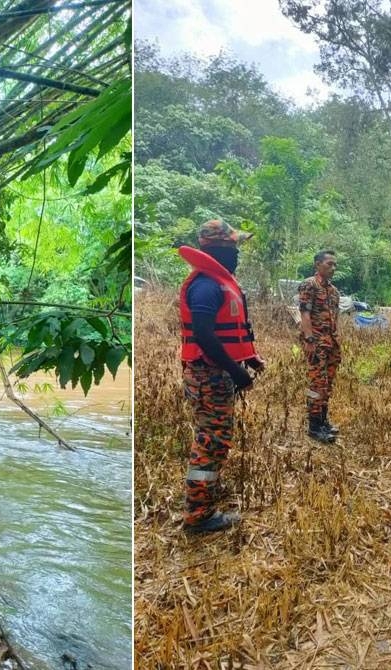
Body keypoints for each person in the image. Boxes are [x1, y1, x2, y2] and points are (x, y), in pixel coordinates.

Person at [178, 219, 265, 534]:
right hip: (208, 375)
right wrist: (235, 371)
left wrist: (249, 360)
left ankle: (205, 496)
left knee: (215, 439)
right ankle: (198, 516)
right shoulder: (205, 286)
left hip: (216, 374)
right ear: (217, 249)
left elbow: (225, 335)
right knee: (210, 440)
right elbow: (204, 336)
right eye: (234, 248)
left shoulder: (218, 282)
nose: (238, 256)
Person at [296, 250, 341, 443]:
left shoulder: (333, 291)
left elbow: (335, 318)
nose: (333, 268)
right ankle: (314, 426)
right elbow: (304, 313)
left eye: (334, 265)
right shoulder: (309, 285)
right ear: (317, 264)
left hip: (331, 343)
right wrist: (309, 340)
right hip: (316, 342)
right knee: (316, 384)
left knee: (327, 383)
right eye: (329, 264)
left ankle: (323, 421)